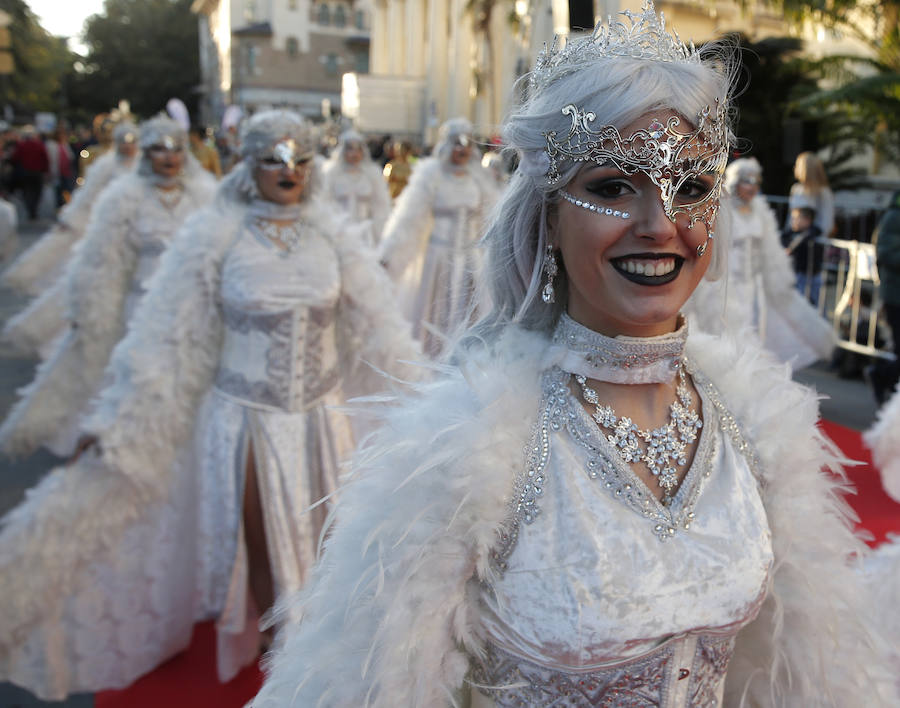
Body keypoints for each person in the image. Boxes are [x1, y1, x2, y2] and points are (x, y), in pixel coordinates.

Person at [252, 4, 892, 706]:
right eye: (613, 188)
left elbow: (805, 673)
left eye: (694, 188)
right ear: (550, 215)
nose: (660, 226)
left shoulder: (759, 427)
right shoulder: (466, 451)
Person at [0, 109, 421, 700]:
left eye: (299, 158)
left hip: (323, 426)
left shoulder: (333, 239)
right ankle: (282, 675)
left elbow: (381, 335)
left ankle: (305, 673)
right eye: (273, 158)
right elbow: (163, 338)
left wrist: (427, 418)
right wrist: (117, 421)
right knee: (268, 567)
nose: (288, 170)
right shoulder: (214, 235)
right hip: (245, 421)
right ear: (248, 164)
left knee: (328, 565)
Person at [0, 115, 216, 458]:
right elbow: (99, 261)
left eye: (176, 149)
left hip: (187, 315)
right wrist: (90, 308)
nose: (168, 157)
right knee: (128, 391)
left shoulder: (207, 197)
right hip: (136, 314)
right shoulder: (122, 195)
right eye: (158, 149)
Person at [688, 156, 833, 369]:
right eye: (748, 181)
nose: (753, 187)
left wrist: (777, 277)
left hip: (753, 284)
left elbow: (770, 248)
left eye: (756, 182)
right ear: (736, 182)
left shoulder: (760, 211)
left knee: (758, 333)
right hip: (726, 282)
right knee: (725, 333)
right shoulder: (722, 208)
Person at [378, 118, 499, 358]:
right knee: (436, 313)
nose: (461, 150)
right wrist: (389, 254)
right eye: (456, 143)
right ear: (446, 146)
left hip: (469, 261)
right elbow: (409, 219)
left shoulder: (480, 179)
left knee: (468, 315)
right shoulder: (431, 176)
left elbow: (493, 220)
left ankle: (463, 360)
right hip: (439, 260)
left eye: (465, 144)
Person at [0, 121, 140, 299]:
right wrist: (73, 217)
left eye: (132, 141)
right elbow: (87, 190)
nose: (128, 146)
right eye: (123, 141)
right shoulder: (103, 162)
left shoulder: (145, 167)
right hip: (105, 223)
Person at [321, 129, 391, 245]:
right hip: (339, 232)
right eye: (350, 149)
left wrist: (380, 234)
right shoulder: (332, 174)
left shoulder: (372, 175)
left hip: (365, 235)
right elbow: (325, 203)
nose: (354, 154)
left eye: (358, 149)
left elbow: (380, 207)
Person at [866, 190, 900, 404]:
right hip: (895, 294)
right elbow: (885, 251)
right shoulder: (893, 217)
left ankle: (885, 379)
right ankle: (881, 376)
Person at [782, 203, 825, 304]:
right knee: (798, 300)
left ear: (807, 220)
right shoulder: (789, 233)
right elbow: (783, 239)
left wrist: (791, 248)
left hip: (812, 274)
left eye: (796, 218)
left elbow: (809, 235)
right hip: (797, 272)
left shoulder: (813, 231)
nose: (793, 221)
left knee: (816, 301)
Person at [788, 151, 835, 238]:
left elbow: (827, 223)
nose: (796, 168)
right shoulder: (796, 189)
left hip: (814, 242)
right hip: (795, 238)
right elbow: (790, 218)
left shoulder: (824, 192)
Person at [11, 125, 49, 220]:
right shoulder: (39, 145)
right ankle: (33, 209)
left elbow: (15, 157)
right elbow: (45, 158)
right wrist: (45, 170)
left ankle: (30, 209)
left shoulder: (21, 145)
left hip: (26, 172)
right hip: (37, 172)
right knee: (37, 192)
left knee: (27, 192)